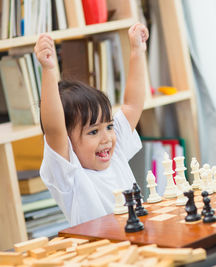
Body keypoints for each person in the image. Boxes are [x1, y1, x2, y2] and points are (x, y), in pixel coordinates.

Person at [35, 23, 149, 226]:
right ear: (67, 141)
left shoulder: (115, 153)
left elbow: (132, 104)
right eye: (93, 131)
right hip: (101, 253)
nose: (106, 138)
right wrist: (49, 70)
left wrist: (137, 51)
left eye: (109, 126)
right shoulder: (69, 173)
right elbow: (54, 128)